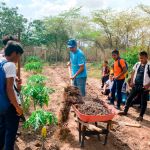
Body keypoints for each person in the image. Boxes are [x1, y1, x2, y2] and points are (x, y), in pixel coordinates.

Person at [0, 41, 24, 150]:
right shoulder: (10, 65)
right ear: (14, 53)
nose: (18, 58)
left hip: (1, 104)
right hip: (9, 105)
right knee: (10, 134)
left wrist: (14, 80)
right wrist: (17, 107)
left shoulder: (2, 62)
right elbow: (9, 89)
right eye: (19, 55)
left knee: (2, 130)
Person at [119, 51, 150, 121]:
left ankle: (141, 116)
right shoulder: (137, 64)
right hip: (135, 85)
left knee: (143, 102)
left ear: (146, 57)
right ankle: (125, 111)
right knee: (129, 98)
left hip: (144, 87)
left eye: (142, 58)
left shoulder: (149, 66)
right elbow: (133, 72)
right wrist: (132, 81)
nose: (141, 60)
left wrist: (148, 85)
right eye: (140, 58)